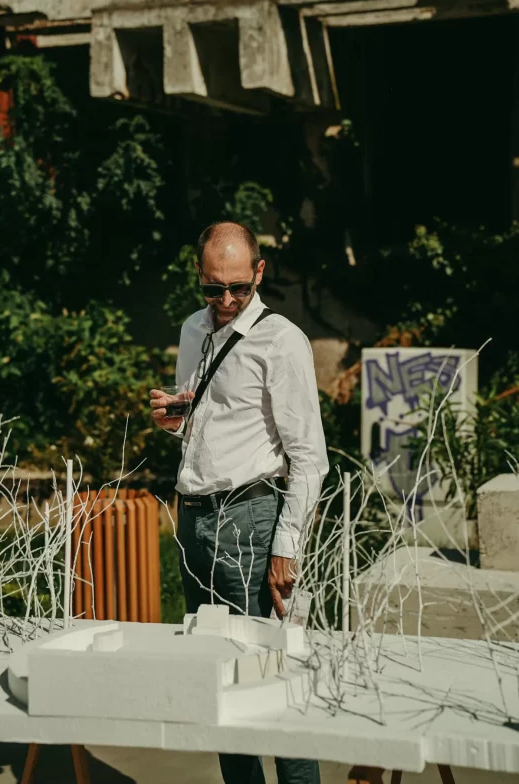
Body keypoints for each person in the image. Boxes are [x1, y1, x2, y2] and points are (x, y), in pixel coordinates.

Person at [150, 221, 328, 784]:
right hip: (194, 521)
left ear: (259, 272)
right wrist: (172, 422)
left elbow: (310, 457)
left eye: (238, 288)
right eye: (213, 288)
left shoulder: (282, 341)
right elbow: (200, 424)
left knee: (270, 683)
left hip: (250, 521)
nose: (226, 300)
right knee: (220, 684)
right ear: (199, 276)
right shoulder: (191, 329)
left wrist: (286, 548)